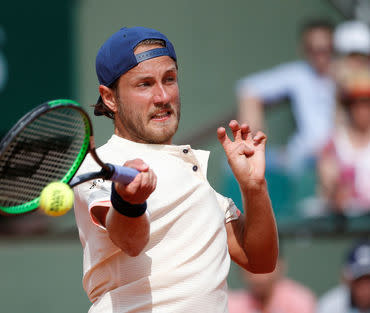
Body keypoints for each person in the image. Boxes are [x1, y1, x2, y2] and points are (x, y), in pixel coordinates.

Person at [73, 27, 278, 313]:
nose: (162, 96)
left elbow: (260, 260)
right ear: (109, 98)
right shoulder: (102, 163)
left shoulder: (192, 175)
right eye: (144, 84)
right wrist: (129, 201)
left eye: (169, 79)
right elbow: (130, 241)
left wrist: (254, 188)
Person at [236, 19, 335, 172]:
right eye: (312, 49)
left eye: (324, 49)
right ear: (304, 49)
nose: (319, 56)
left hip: (337, 159)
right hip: (303, 158)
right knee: (239, 166)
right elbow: (248, 88)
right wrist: (255, 134)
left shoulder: (349, 76)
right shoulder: (299, 74)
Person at [317, 68, 370, 215]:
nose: (362, 109)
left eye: (367, 102)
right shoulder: (333, 143)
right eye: (356, 102)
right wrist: (334, 191)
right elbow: (328, 188)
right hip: (348, 227)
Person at [228, 255, 316, 313]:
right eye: (251, 266)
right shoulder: (231, 304)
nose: (258, 277)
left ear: (280, 265)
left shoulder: (300, 300)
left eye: (264, 266)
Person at [316, 240, 370, 313]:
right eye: (359, 281)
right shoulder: (330, 305)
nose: (365, 288)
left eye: (368, 280)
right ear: (346, 279)